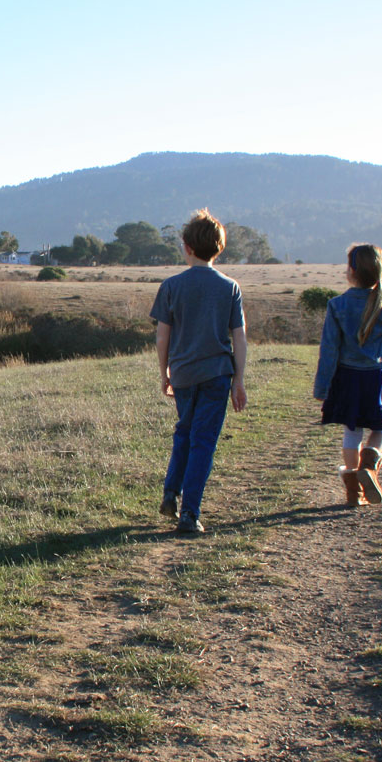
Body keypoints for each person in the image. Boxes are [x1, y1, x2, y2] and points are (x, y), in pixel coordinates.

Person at [152, 209, 248, 533]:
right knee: (203, 441)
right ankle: (190, 513)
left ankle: (171, 491)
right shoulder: (230, 287)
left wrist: (164, 373)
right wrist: (239, 380)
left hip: (182, 374)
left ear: (187, 247)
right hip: (217, 374)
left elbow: (162, 337)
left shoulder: (171, 286)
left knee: (185, 431)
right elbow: (239, 337)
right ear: (218, 248)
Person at [313, 243, 382, 506]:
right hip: (375, 377)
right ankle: (370, 460)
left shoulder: (336, 305)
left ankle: (354, 492)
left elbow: (329, 350)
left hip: (346, 378)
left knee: (352, 431)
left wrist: (322, 388)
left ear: (351, 271)